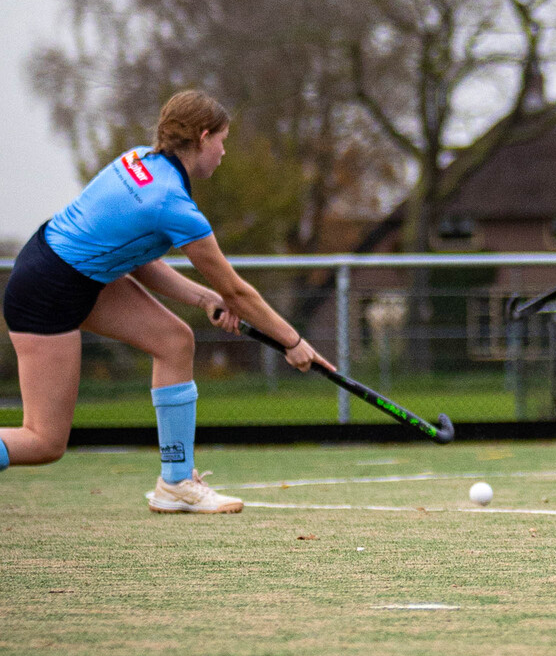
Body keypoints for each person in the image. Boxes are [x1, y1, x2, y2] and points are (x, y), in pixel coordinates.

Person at [2, 89, 319, 510]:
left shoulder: (139, 162)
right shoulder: (173, 204)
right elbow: (237, 291)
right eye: (222, 140)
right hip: (47, 291)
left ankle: (176, 483)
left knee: (174, 340)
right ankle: (176, 481)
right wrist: (292, 342)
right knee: (43, 441)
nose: (224, 152)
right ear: (203, 137)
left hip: (68, 272)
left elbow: (136, 261)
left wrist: (202, 297)